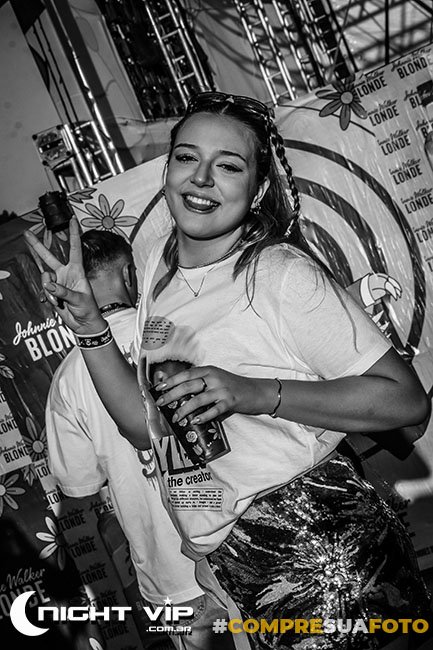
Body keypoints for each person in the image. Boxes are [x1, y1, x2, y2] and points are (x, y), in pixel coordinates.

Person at [26, 91, 431, 650]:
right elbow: (146, 429)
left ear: (258, 187)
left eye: (229, 165)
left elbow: (405, 401)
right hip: (235, 565)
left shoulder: (278, 273)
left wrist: (256, 393)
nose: (201, 178)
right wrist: (90, 325)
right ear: (168, 169)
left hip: (321, 549)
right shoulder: (160, 272)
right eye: (187, 157)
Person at [44, 229, 236, 650]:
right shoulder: (181, 329)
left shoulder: (67, 379)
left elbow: (81, 485)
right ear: (130, 274)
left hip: (169, 575)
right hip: (237, 544)